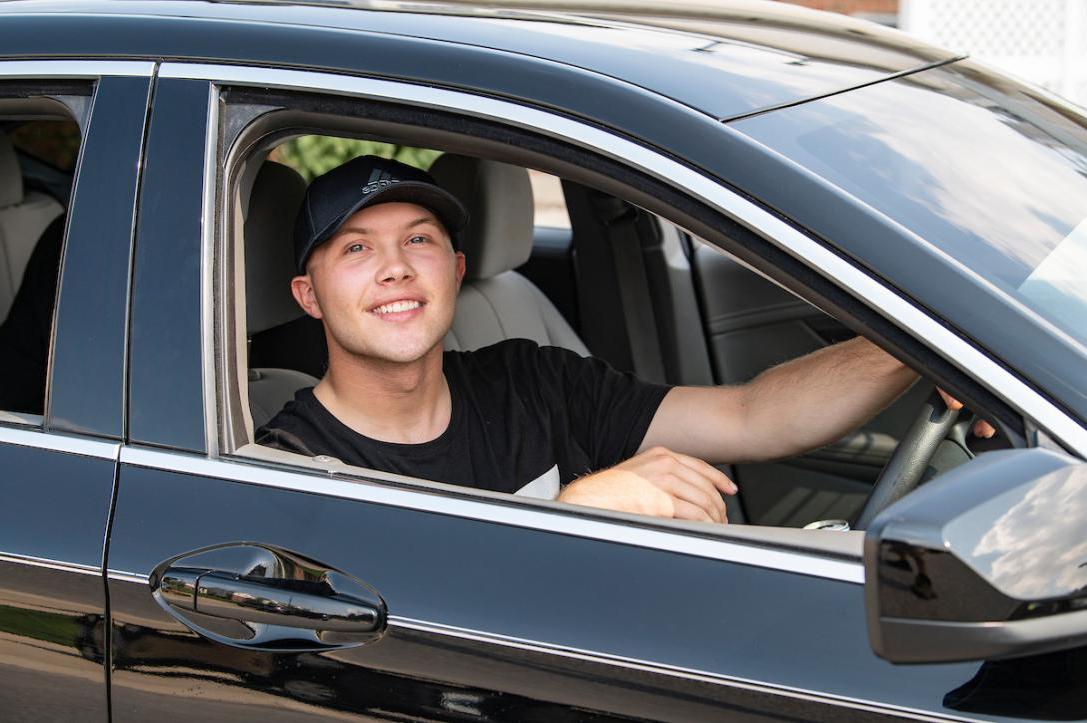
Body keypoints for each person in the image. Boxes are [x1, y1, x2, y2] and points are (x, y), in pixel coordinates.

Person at [257, 155, 991, 524]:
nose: (393, 268)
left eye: (418, 239)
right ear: (308, 295)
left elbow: (751, 415)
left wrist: (914, 347)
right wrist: (577, 508)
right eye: (355, 249)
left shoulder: (527, 377)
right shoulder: (287, 462)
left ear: (453, 269)